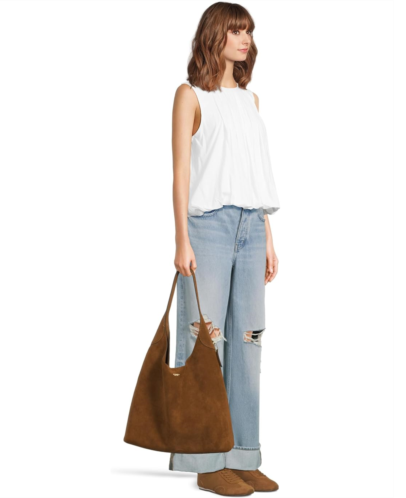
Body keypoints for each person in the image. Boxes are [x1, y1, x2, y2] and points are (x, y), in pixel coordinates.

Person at [170, 2, 280, 495]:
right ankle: (206, 460)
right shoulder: (190, 95)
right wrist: (181, 239)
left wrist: (268, 238)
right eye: (236, 30)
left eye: (249, 31)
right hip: (208, 229)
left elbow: (255, 172)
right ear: (215, 36)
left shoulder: (251, 100)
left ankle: (242, 455)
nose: (246, 39)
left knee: (249, 343)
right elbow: (181, 173)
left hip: (251, 227)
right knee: (204, 344)